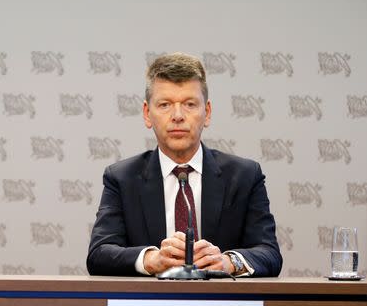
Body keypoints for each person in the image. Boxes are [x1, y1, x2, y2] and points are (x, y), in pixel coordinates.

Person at [87, 52, 282, 277]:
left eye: (189, 104)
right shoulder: (121, 178)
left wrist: (228, 263)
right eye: (165, 105)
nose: (178, 116)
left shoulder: (245, 176)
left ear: (206, 113)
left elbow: (269, 253)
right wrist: (152, 259)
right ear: (147, 114)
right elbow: (99, 254)